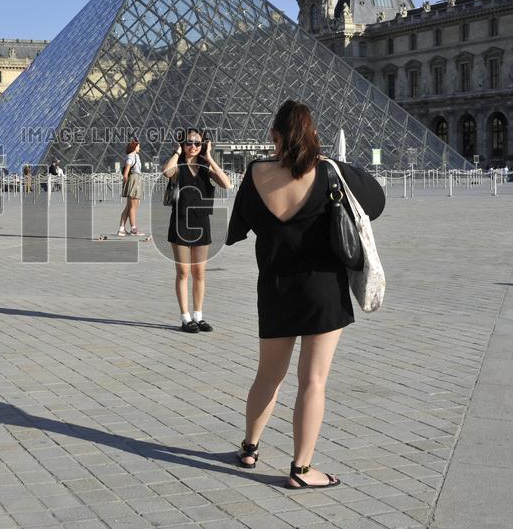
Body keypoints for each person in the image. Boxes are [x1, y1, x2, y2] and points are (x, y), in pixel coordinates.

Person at [225, 100, 385, 489]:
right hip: (323, 291)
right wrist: (328, 161)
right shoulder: (330, 173)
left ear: (274, 136)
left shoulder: (255, 173)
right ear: (312, 135)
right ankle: (301, 469)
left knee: (268, 377)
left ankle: (249, 447)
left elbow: (239, 226)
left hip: (275, 288)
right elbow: (376, 202)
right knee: (313, 382)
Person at [162, 129, 232, 333]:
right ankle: (185, 318)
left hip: (201, 223)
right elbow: (167, 172)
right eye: (189, 142)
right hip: (181, 223)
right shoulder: (179, 166)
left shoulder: (204, 167)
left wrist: (209, 158)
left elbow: (227, 184)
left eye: (197, 143)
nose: (193, 146)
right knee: (183, 272)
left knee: (199, 273)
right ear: (182, 144)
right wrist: (176, 153)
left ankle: (198, 316)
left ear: (203, 145)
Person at [117, 140, 144, 236]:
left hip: (136, 180)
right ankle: (133, 229)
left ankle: (121, 229)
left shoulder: (135, 156)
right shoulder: (131, 156)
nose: (139, 148)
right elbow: (126, 173)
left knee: (130, 206)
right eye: (138, 146)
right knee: (132, 206)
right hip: (134, 180)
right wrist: (125, 184)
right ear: (134, 147)